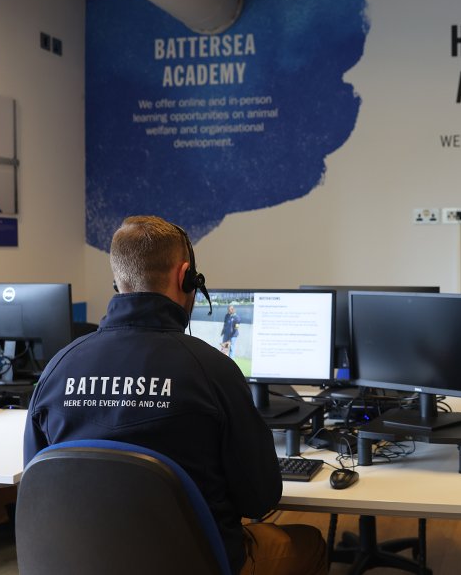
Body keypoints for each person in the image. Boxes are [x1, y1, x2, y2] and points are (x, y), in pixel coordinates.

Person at [23, 215, 327, 575]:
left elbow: (38, 477)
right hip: (196, 564)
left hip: (84, 561)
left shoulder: (58, 369)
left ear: (118, 282)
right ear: (185, 276)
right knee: (309, 543)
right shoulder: (212, 371)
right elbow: (260, 497)